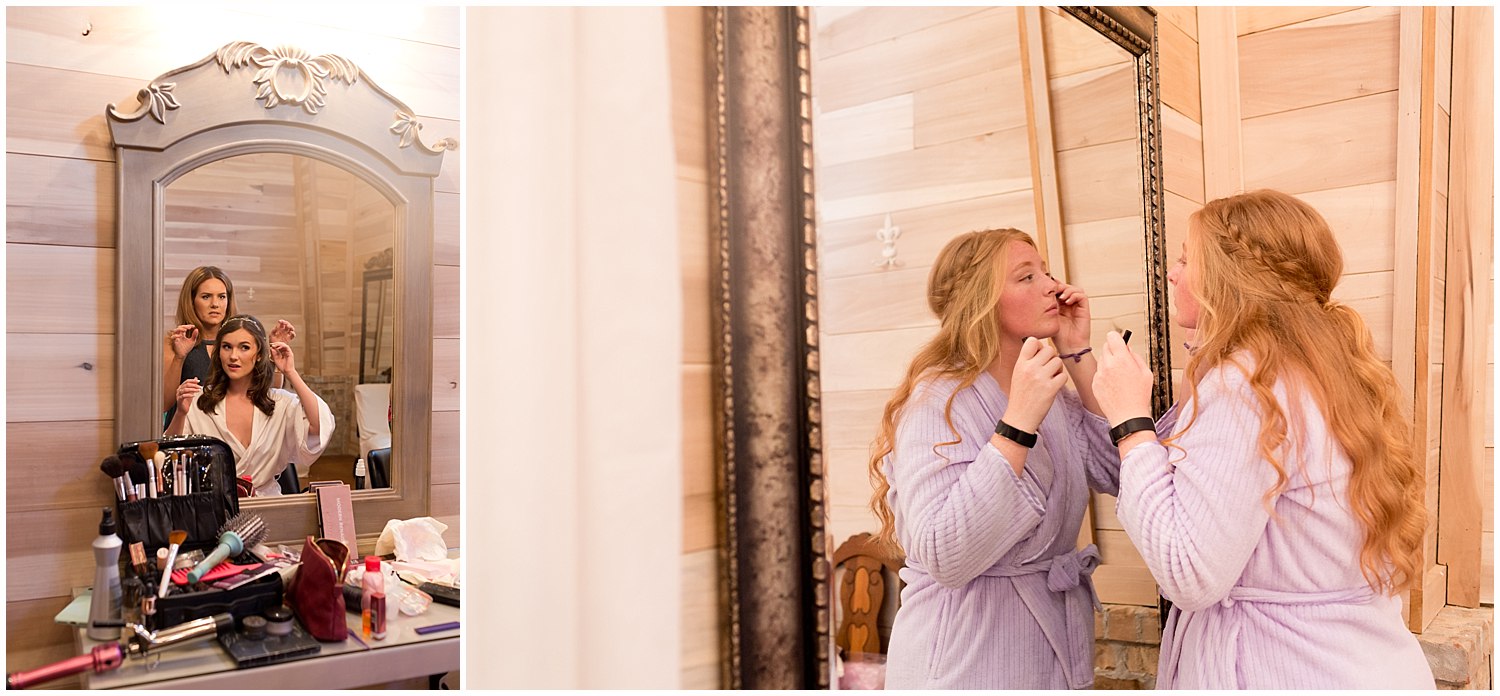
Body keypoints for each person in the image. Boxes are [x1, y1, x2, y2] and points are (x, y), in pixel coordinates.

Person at [1090, 189, 1434, 688]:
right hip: (1358, 663)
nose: (1173, 272)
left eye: (1187, 258)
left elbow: (1188, 571)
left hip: (1286, 669)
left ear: (1226, 278)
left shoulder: (1247, 386)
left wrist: (1129, 420)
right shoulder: (1323, 367)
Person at [870, 228, 1122, 689]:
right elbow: (946, 555)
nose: (1051, 285)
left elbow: (1123, 471)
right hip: (964, 657)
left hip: (1049, 649)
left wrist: (1076, 353)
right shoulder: (937, 402)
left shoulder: (1048, 393)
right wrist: (1017, 426)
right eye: (1026, 277)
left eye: (1045, 271)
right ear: (980, 301)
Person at [166, 314, 334, 497]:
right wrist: (181, 413)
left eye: (244, 347)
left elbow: (319, 427)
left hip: (267, 507)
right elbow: (170, 455)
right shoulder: (199, 400)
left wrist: (290, 372)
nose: (233, 356)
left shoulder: (279, 403)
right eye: (226, 347)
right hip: (215, 507)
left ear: (260, 354)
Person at [162, 266, 295, 420]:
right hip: (187, 433)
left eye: (221, 297)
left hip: (231, 431)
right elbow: (165, 403)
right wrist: (179, 357)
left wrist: (275, 354)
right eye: (206, 297)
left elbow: (270, 393)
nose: (215, 304)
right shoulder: (174, 342)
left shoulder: (242, 340)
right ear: (191, 301)